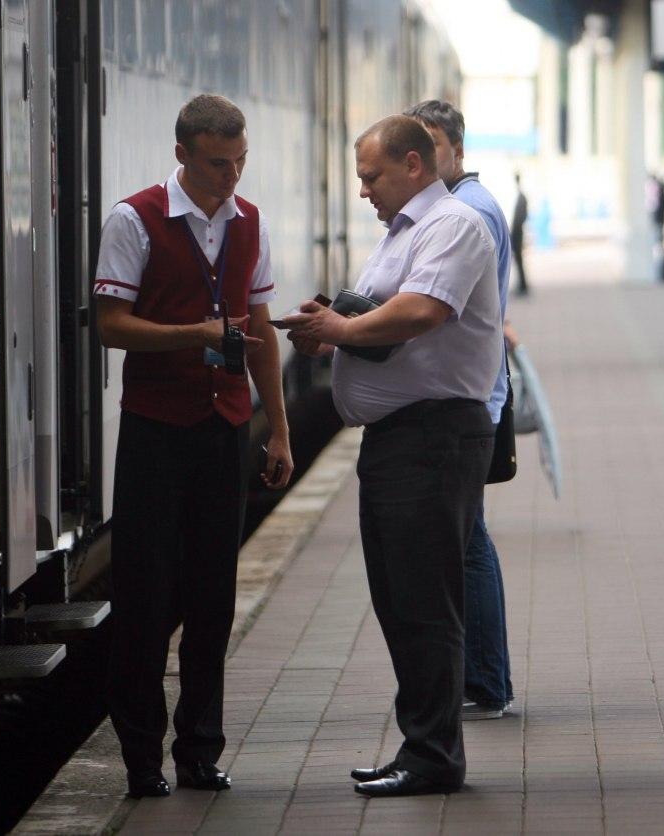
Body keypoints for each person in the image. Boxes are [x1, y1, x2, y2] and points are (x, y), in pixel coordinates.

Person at [284, 115, 501, 797]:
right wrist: (333, 332)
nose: (363, 191)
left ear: (414, 164)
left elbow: (421, 312)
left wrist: (342, 326)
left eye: (371, 176)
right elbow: (381, 319)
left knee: (424, 603)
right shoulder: (402, 235)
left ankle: (434, 757)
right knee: (400, 601)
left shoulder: (453, 226)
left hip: (434, 439)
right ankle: (420, 745)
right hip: (401, 441)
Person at [94, 94, 293, 799]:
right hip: (154, 429)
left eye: (240, 163)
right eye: (217, 165)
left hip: (223, 430)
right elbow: (111, 325)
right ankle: (142, 759)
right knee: (144, 599)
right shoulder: (134, 218)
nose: (230, 179)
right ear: (183, 154)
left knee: (214, 600)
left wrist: (278, 427)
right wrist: (195, 335)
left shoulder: (250, 223)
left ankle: (200, 752)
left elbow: (261, 332)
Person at [404, 99, 514, 722]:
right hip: (475, 392)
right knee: (469, 537)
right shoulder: (469, 207)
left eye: (432, 146)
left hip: (468, 399)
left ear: (458, 150)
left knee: (467, 540)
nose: (420, 159)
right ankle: (484, 680)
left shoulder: (468, 211)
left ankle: (485, 682)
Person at [510, 171, 529, 296]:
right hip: (516, 233)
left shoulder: (521, 197)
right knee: (518, 261)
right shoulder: (519, 196)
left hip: (518, 234)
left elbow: (522, 216)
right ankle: (522, 285)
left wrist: (515, 229)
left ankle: (523, 285)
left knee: (519, 260)